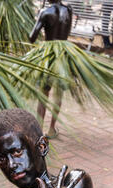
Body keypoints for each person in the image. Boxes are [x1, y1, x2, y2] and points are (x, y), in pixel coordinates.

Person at [29, 0, 73, 139]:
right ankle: (52, 128)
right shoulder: (69, 10)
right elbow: (67, 32)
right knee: (58, 94)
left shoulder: (45, 12)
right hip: (63, 55)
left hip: (49, 57)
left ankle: (39, 129)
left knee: (43, 94)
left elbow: (32, 37)